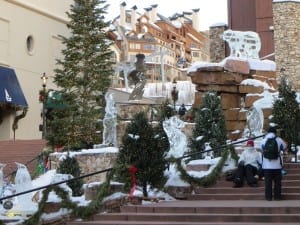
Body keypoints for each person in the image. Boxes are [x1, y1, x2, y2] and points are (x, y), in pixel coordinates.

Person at [261, 126, 287, 201]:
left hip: (266, 166)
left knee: (268, 183)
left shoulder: (264, 140)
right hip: (277, 166)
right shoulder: (279, 140)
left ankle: (268, 197)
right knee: (277, 183)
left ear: (268, 132)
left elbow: (261, 149)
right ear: (275, 132)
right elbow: (284, 147)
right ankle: (277, 197)